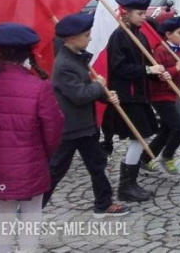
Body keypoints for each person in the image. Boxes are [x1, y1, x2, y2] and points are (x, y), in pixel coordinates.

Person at [0, 24, 65, 253]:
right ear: (28, 54)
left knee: (3, 215)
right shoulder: (39, 88)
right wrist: (42, 154)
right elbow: (54, 128)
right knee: (31, 215)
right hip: (30, 163)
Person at [43, 13, 131, 217]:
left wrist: (107, 97)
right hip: (71, 129)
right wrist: (98, 86)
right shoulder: (64, 65)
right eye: (86, 35)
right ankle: (31, 208)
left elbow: (88, 91)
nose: (90, 38)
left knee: (97, 164)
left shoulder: (77, 58)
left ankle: (103, 203)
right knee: (56, 170)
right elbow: (80, 95)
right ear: (72, 38)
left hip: (85, 127)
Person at [102, 0, 170, 202]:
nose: (143, 17)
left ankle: (130, 182)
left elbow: (146, 66)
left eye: (144, 14)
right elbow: (119, 68)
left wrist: (158, 74)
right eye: (139, 14)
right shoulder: (119, 36)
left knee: (141, 137)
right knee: (139, 138)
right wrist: (148, 69)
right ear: (126, 14)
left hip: (140, 95)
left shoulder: (139, 36)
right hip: (127, 96)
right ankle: (126, 185)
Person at [141, 16, 180, 175]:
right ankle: (167, 156)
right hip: (159, 95)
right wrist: (176, 69)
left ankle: (144, 159)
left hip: (172, 95)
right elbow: (159, 75)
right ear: (168, 34)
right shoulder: (161, 50)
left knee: (166, 130)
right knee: (179, 127)